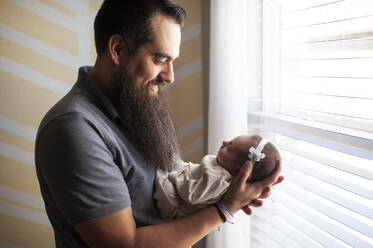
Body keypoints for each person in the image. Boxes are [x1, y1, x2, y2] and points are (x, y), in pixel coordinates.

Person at [35, 0, 284, 247]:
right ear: (118, 50)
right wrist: (225, 208)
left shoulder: (136, 105)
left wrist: (229, 190)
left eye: (171, 61)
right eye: (159, 60)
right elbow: (126, 245)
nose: (170, 76)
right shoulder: (73, 130)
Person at [154, 135, 281, 221]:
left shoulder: (220, 179)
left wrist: (177, 176)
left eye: (229, 147)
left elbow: (191, 195)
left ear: (238, 169)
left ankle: (161, 175)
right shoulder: (220, 167)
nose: (224, 142)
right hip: (183, 182)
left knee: (161, 180)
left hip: (175, 207)